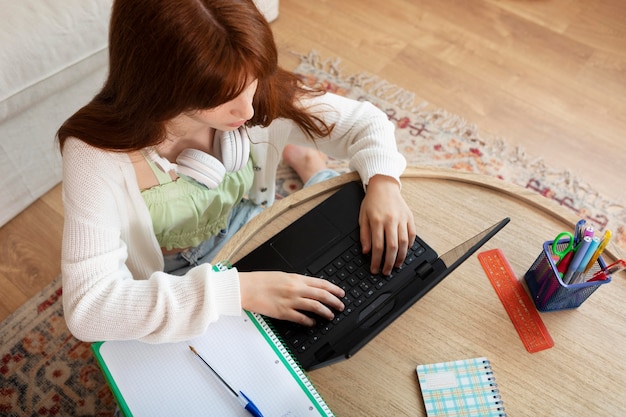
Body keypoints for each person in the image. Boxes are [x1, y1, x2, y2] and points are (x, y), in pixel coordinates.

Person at [58, 0, 416, 344]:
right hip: (172, 275)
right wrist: (239, 290)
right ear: (160, 84)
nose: (248, 109)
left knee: (351, 219)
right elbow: (88, 308)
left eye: (253, 81)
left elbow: (365, 123)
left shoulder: (250, 92)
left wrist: (384, 183)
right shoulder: (92, 156)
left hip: (246, 222)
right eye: (224, 96)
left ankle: (309, 164)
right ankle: (310, 165)